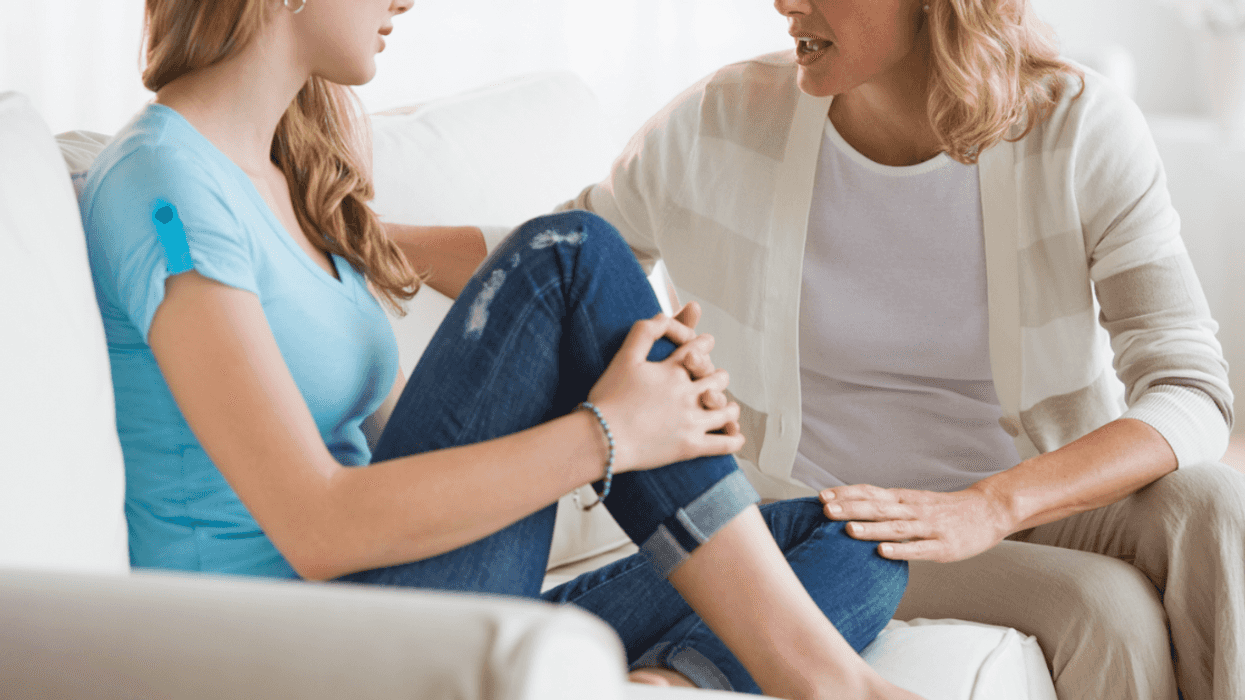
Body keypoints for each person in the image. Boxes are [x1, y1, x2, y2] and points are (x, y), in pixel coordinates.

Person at [77, 0, 925, 697]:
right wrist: (610, 434)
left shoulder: (291, 180)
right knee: (570, 254)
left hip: (390, 609)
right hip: (298, 658)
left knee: (852, 534)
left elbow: (408, 457)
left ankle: (668, 683)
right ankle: (827, 685)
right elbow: (316, 527)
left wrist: (637, 411)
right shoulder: (165, 183)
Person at [562, 1, 1241, 699]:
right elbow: (559, 261)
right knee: (1109, 611)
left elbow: (1189, 387)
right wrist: (435, 249)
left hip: (1026, 498)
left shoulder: (1079, 128)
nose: (784, 3)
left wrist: (993, 505)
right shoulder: (722, 121)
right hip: (844, 526)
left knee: (1217, 500)